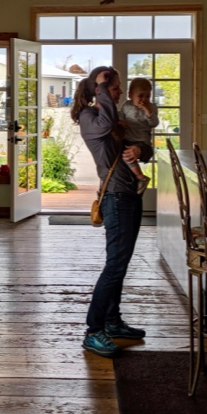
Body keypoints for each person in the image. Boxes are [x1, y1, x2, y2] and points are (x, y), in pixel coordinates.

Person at [71, 66, 150, 357]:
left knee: (122, 263)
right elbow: (104, 124)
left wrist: (141, 151)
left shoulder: (115, 117)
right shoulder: (89, 117)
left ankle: (112, 322)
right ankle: (93, 331)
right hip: (115, 198)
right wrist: (101, 87)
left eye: (116, 89)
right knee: (115, 265)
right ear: (98, 89)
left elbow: (143, 144)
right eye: (115, 88)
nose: (118, 93)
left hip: (129, 195)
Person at [121, 78, 159, 194]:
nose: (144, 99)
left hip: (142, 141)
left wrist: (148, 111)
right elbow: (121, 117)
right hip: (127, 138)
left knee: (129, 154)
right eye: (141, 96)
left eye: (147, 96)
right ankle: (139, 176)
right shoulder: (126, 105)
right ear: (131, 95)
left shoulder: (151, 107)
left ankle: (139, 177)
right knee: (123, 153)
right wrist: (121, 122)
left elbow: (154, 123)